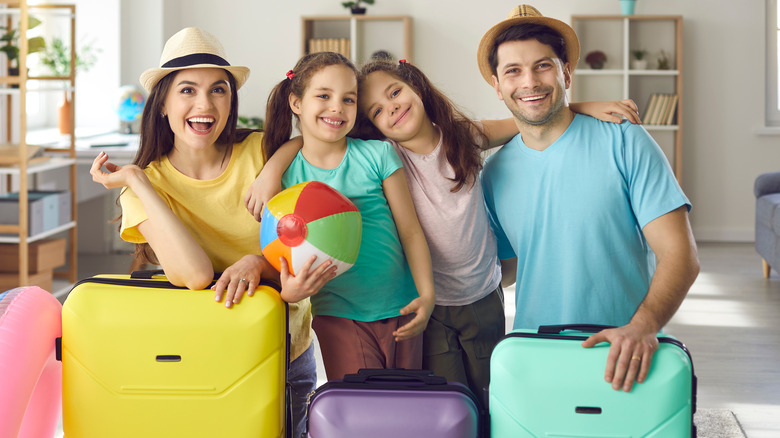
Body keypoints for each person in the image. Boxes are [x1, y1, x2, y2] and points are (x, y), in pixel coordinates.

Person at [88, 27, 329, 438]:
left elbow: (312, 250)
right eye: (187, 90)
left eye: (218, 90)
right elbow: (196, 275)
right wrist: (140, 181)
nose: (205, 104)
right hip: (202, 350)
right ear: (162, 102)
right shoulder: (141, 187)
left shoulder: (265, 155)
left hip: (284, 348)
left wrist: (259, 263)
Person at [478, 5, 700, 393]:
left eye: (543, 66)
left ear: (566, 72)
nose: (529, 81)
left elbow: (681, 255)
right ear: (498, 86)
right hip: (536, 357)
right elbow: (506, 268)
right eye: (513, 71)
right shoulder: (494, 174)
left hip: (625, 358)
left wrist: (642, 327)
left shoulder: (625, 140)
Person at [261, 51, 436, 382]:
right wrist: (289, 291)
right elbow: (278, 249)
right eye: (323, 96)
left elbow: (410, 231)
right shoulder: (285, 178)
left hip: (403, 307)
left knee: (408, 411)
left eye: (349, 99)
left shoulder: (378, 154)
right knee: (361, 412)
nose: (337, 108)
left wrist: (426, 294)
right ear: (296, 103)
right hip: (338, 314)